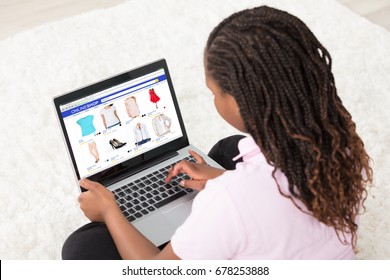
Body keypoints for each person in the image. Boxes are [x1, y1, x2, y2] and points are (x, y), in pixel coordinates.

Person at [62, 6, 372, 260]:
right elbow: (275, 196)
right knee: (228, 149)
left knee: (83, 247)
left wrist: (110, 211)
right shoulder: (339, 144)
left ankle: (169, 236)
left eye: (214, 92)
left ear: (241, 102)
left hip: (240, 225)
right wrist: (218, 177)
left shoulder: (230, 200)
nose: (213, 99)